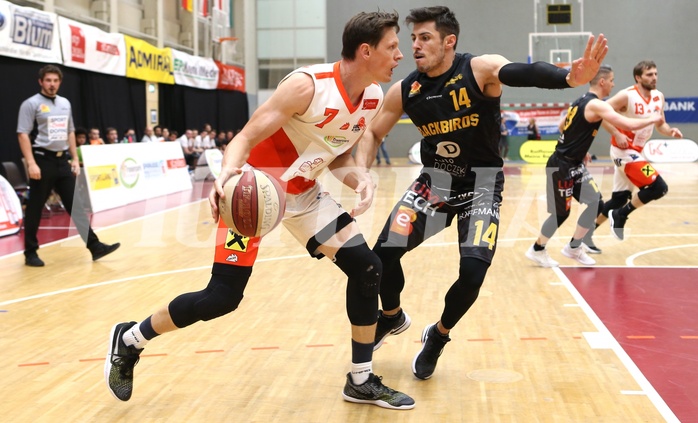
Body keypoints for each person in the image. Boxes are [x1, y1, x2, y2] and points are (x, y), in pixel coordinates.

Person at [104, 11, 415, 410]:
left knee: (367, 266)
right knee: (222, 297)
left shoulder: (371, 97)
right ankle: (130, 339)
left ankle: (360, 380)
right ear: (366, 50)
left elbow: (336, 157)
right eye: (393, 46)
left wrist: (360, 179)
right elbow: (246, 137)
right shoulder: (308, 86)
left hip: (303, 196)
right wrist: (226, 175)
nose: (400, 55)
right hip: (256, 195)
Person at [355, 6, 607, 380]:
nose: (415, 47)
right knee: (383, 256)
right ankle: (391, 316)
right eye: (413, 39)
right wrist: (361, 171)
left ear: (449, 41)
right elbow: (374, 132)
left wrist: (568, 77)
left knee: (472, 275)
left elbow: (524, 72)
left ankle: (438, 335)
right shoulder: (407, 89)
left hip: (482, 186)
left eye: (425, 38)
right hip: (436, 183)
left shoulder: (479, 70)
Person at [525, 65, 663, 268]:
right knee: (561, 214)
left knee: (595, 202)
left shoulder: (580, 101)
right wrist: (653, 118)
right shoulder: (597, 104)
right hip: (561, 165)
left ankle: (573, 247)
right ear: (602, 82)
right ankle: (537, 249)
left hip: (574, 162)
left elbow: (562, 126)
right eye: (612, 80)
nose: (613, 84)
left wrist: (580, 149)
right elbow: (627, 124)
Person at [17, 65, 121, 267]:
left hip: (61, 161)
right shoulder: (31, 104)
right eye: (48, 80)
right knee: (35, 208)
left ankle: (95, 246)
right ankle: (30, 252)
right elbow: (22, 134)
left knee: (76, 206)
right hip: (42, 160)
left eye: (55, 81)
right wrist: (31, 163)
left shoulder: (65, 103)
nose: (52, 84)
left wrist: (74, 158)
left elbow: (70, 132)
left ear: (60, 82)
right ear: (41, 82)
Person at [587, 60, 682, 242]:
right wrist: (616, 132)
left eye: (655, 74)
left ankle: (586, 234)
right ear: (638, 78)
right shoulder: (627, 96)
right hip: (623, 151)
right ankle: (621, 215)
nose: (654, 78)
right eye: (649, 74)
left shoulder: (658, 97)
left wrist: (670, 131)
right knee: (659, 187)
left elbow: (660, 123)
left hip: (637, 152)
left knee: (619, 198)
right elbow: (599, 112)